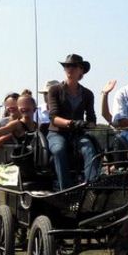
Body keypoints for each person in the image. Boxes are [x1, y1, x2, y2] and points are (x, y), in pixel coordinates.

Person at [47, 54, 100, 190]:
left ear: (81, 70)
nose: (69, 69)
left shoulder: (87, 94)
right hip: (57, 133)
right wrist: (71, 123)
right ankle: (66, 189)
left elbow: (92, 119)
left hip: (78, 135)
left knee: (89, 148)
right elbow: (53, 117)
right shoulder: (55, 90)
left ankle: (92, 187)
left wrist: (87, 125)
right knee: (59, 149)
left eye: (73, 66)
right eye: (66, 66)